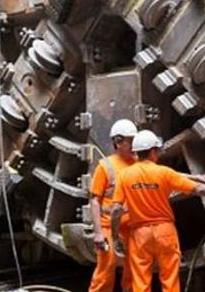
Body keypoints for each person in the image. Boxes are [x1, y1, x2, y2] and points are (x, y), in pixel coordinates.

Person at [110, 130, 205, 292]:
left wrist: (115, 236)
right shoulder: (164, 172)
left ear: (137, 152)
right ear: (152, 151)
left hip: (139, 234)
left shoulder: (124, 175)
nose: (158, 153)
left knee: (141, 281)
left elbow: (116, 209)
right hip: (165, 232)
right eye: (157, 150)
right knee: (170, 279)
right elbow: (198, 189)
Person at [88, 119, 138, 292]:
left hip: (131, 228)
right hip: (108, 228)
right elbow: (95, 200)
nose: (134, 145)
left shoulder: (138, 164)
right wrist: (98, 233)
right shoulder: (105, 166)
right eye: (130, 141)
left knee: (133, 272)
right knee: (105, 271)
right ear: (118, 142)